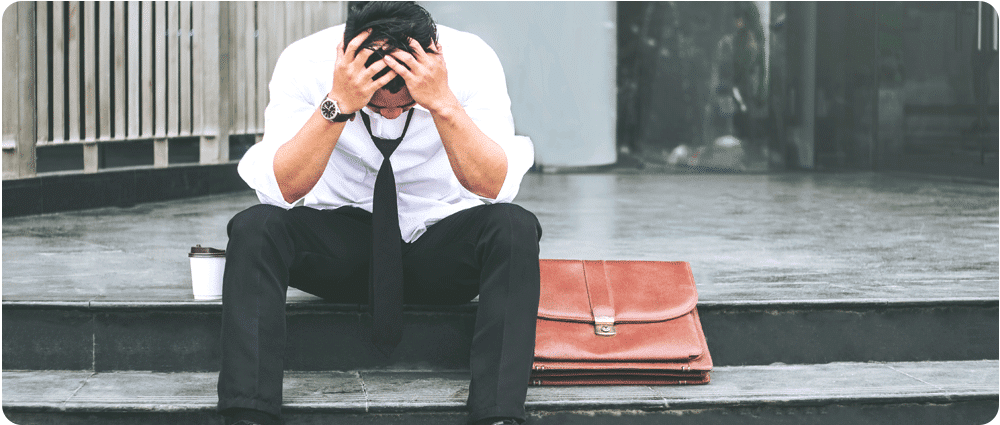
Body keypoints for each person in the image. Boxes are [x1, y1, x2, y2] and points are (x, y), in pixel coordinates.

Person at [217, 2, 541, 425]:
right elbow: (283, 187)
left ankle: (498, 415)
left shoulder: (472, 61)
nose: (389, 113)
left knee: (514, 226)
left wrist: (442, 103)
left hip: (437, 241)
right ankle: (248, 414)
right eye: (377, 106)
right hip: (343, 244)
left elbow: (494, 184)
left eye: (403, 106)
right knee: (254, 228)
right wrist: (339, 103)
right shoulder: (305, 62)